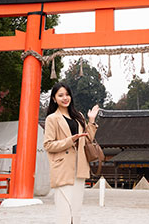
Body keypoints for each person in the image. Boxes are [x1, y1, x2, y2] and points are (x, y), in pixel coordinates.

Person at [43, 82, 99, 224]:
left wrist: (91, 120)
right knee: (64, 209)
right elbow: (48, 145)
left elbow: (88, 139)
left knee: (76, 210)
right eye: (60, 95)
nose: (65, 98)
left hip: (79, 167)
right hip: (62, 168)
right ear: (54, 99)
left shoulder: (78, 116)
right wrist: (70, 140)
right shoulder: (52, 119)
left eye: (67, 94)